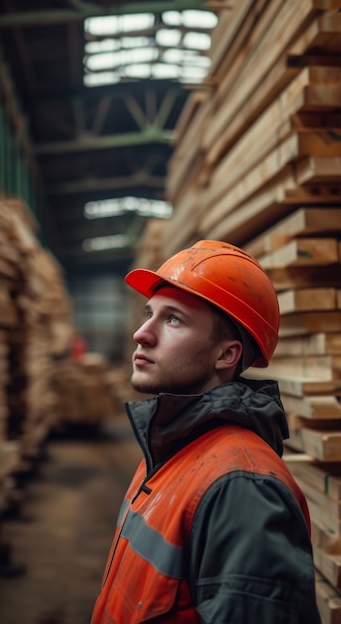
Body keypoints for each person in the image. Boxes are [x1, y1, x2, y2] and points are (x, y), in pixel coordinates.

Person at [91, 240, 321, 624]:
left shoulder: (242, 488)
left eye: (174, 319)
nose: (141, 334)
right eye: (150, 314)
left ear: (226, 355)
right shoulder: (172, 449)